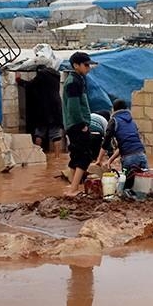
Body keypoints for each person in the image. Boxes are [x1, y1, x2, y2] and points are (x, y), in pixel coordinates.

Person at [62, 51, 96, 197]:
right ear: (76, 65)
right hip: (77, 124)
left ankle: (71, 187)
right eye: (86, 65)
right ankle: (75, 187)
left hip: (72, 124)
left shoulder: (75, 79)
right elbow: (74, 106)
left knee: (76, 155)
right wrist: (83, 124)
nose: (88, 68)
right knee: (85, 156)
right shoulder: (74, 82)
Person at [17, 65, 63, 154]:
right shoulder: (56, 75)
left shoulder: (41, 75)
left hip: (43, 110)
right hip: (56, 109)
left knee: (39, 134)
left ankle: (38, 155)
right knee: (56, 135)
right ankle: (57, 158)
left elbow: (30, 85)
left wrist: (19, 80)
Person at [102, 99, 150, 177]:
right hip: (142, 156)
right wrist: (110, 160)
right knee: (145, 183)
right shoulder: (132, 122)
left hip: (128, 160)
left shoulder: (114, 120)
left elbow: (106, 141)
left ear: (114, 109)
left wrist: (99, 159)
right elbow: (123, 147)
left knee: (126, 185)